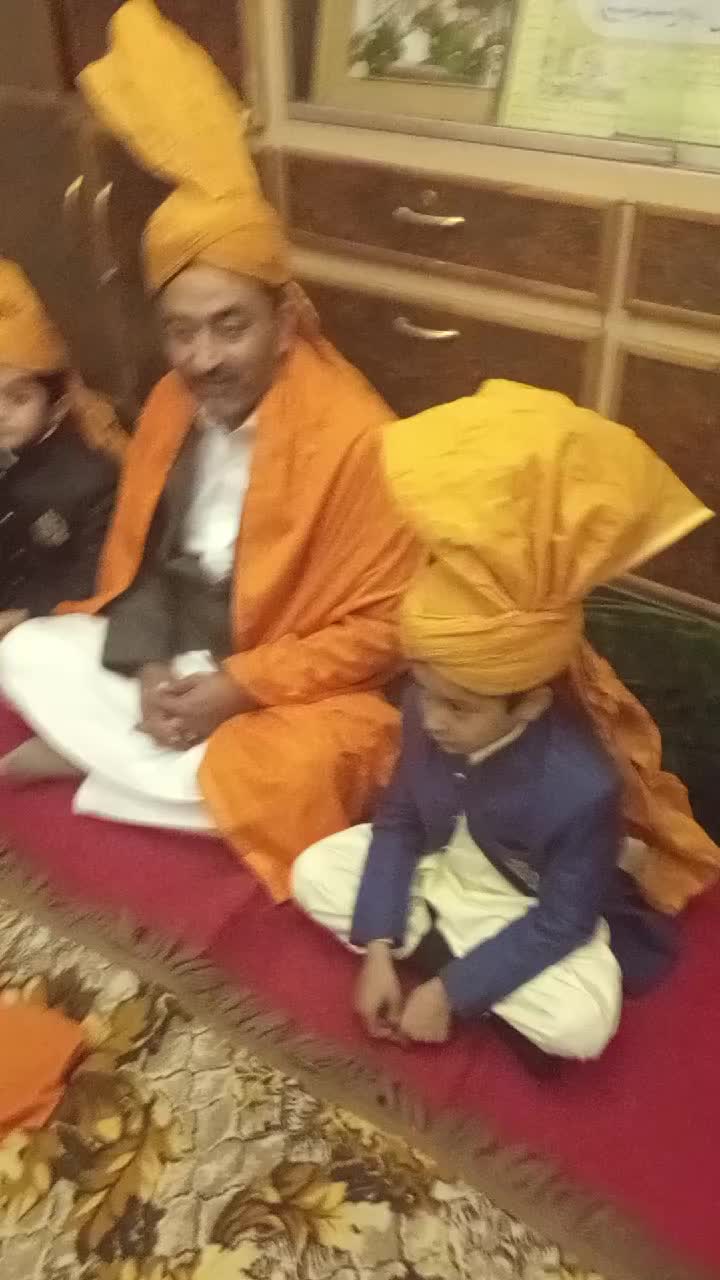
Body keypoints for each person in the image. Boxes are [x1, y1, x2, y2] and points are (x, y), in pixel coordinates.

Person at [0, 0, 417, 902]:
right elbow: (144, 562)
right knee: (27, 651)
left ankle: (106, 769)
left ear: (284, 321)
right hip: (188, 653)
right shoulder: (169, 403)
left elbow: (383, 631)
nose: (203, 358)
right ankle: (157, 767)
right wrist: (151, 661)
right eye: (182, 331)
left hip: (286, 688)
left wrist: (239, 685)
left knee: (315, 769)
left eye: (231, 326)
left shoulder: (360, 436)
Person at [294, 380, 720, 1059]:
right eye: (424, 693)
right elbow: (400, 821)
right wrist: (375, 945)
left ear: (531, 703)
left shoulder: (582, 786)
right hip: (437, 870)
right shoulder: (423, 713)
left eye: (460, 708)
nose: (432, 720)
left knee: (582, 1025)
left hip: (519, 905)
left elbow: (563, 918)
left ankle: (445, 960)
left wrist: (452, 991)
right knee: (312, 871)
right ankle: (423, 946)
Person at [0, 260, 123, 637]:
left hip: (58, 628)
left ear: (58, 404)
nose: (0, 413)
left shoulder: (93, 477)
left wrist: (28, 615)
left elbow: (99, 577)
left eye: (18, 398)